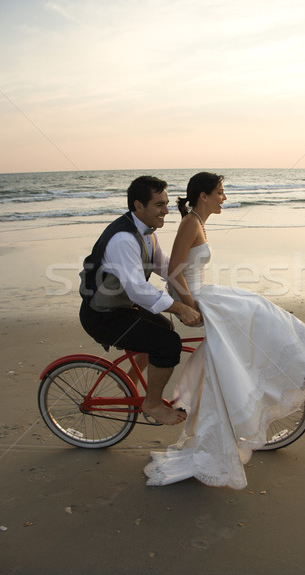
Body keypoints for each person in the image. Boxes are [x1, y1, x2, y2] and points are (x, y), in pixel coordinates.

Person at [144, 172, 305, 489]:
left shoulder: (197, 221)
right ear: (203, 196)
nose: (223, 198)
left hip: (200, 294)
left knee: (259, 311)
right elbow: (174, 273)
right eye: (220, 192)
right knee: (258, 312)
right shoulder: (190, 223)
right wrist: (189, 306)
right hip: (196, 298)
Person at [79, 175, 202, 426]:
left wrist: (194, 299)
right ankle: (153, 403)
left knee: (164, 327)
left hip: (120, 308)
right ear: (138, 206)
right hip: (102, 315)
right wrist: (178, 307)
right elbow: (138, 290)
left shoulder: (147, 233)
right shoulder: (123, 239)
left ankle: (131, 382)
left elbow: (166, 268)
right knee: (168, 343)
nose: (166, 211)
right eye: (159, 205)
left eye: (166, 204)